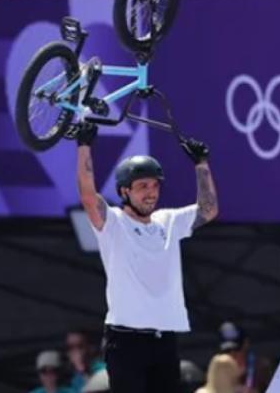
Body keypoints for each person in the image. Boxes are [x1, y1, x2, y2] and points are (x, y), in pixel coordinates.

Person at [74, 122, 219, 392]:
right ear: (124, 191)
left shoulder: (168, 220)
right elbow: (87, 196)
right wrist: (84, 147)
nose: (151, 192)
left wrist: (201, 164)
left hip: (164, 339)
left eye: (154, 185)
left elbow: (208, 210)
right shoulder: (113, 222)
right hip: (125, 340)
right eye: (142, 186)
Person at [217, 322, 273, 393]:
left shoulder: (261, 367)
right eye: (227, 350)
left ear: (246, 344)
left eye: (236, 349)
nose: (232, 353)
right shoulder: (219, 371)